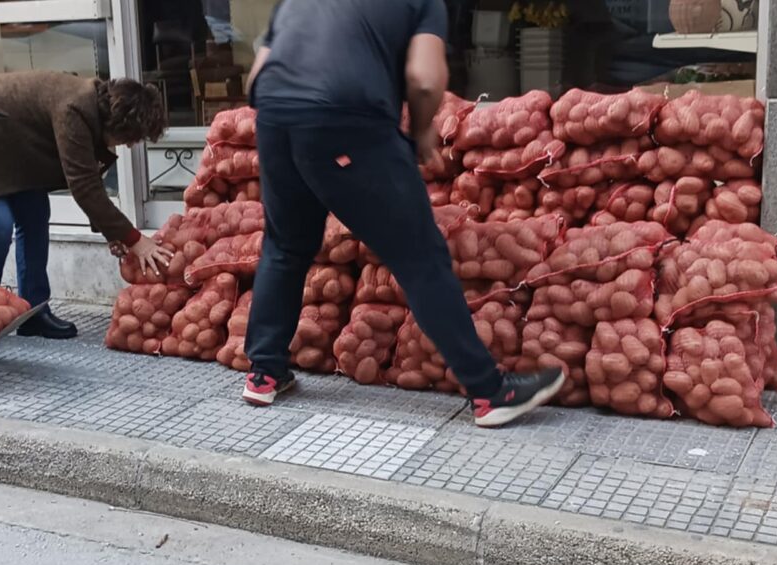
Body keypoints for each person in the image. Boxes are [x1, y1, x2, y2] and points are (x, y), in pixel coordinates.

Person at [241, 0, 564, 428]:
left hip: (275, 118)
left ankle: (264, 372)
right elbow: (425, 80)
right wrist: (422, 130)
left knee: (284, 244)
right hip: (350, 120)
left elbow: (254, 77)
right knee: (419, 255)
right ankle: (490, 392)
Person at [0, 72, 173, 340]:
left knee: (35, 214)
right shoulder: (74, 109)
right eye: (129, 139)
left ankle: (33, 312)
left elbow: (88, 177)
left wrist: (113, 233)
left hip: (7, 148)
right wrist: (136, 240)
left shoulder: (91, 104)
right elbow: (84, 185)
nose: (126, 145)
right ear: (118, 124)